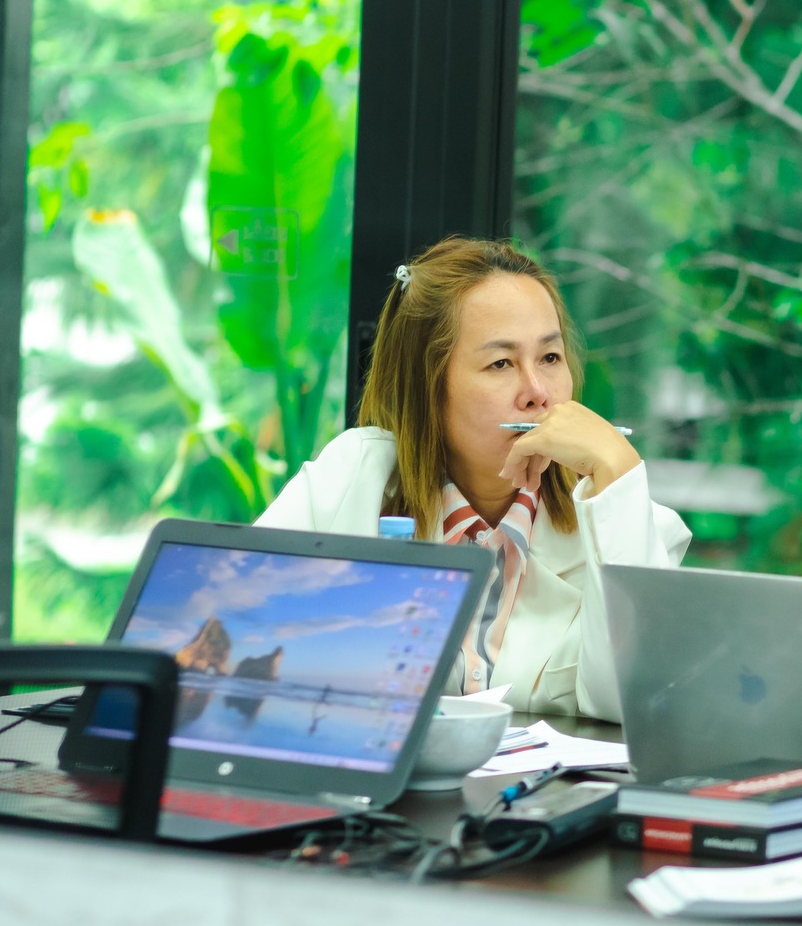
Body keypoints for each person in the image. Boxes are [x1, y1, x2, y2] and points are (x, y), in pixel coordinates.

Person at [258, 237, 691, 720]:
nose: (537, 393)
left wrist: (616, 466)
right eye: (501, 363)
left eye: (550, 358)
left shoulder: (629, 525)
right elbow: (234, 639)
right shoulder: (351, 483)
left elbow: (629, 706)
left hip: (542, 795)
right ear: (428, 388)